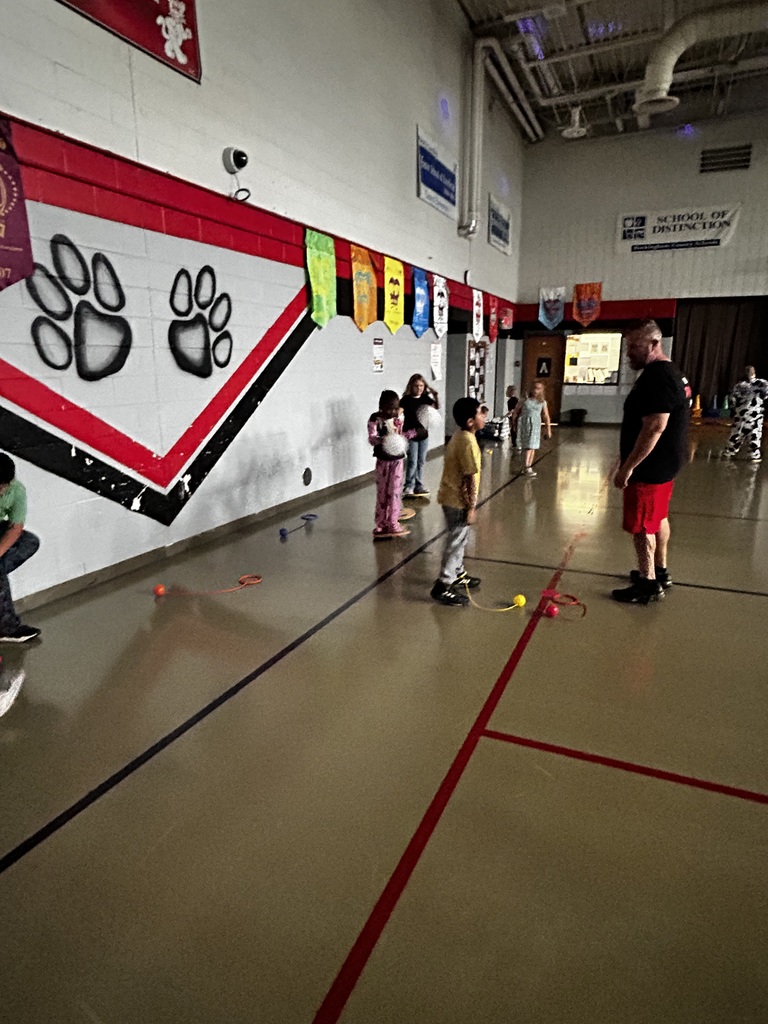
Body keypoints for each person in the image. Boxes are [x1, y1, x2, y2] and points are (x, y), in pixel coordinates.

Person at [612, 320, 689, 605]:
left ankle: (648, 582)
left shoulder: (658, 376)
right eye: (628, 346)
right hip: (665, 464)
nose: (629, 352)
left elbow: (655, 426)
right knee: (658, 518)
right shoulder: (670, 373)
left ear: (655, 344)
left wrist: (628, 466)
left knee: (644, 525)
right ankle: (660, 571)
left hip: (650, 467)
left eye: (635, 346)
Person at [430, 397, 486, 606]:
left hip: (452, 498)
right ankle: (443, 585)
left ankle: (458, 573)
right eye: (481, 412)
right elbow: (469, 478)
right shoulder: (468, 443)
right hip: (458, 501)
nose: (485, 415)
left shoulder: (461, 435)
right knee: (456, 541)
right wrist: (471, 507)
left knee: (460, 539)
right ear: (471, 421)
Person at [0, 454, 41, 642]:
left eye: (4, 487)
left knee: (31, 541)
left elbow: (16, 528)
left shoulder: (17, 490)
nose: (2, 492)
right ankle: (7, 626)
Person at [368, 390, 416, 540]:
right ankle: (380, 523)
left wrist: (411, 434)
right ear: (381, 406)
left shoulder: (398, 418)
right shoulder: (375, 419)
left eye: (395, 408)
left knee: (395, 492)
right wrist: (383, 441)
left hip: (397, 461)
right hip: (383, 461)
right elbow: (371, 438)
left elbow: (402, 435)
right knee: (382, 492)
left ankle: (393, 522)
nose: (393, 412)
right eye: (390, 408)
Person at [400, 374, 439, 499]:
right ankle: (409, 485)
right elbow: (399, 411)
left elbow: (436, 407)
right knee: (412, 460)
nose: (419, 388)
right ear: (411, 386)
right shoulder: (406, 400)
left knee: (421, 461)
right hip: (410, 434)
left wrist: (436, 395)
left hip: (423, 434)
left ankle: (418, 484)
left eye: (421, 386)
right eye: (416, 386)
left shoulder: (425, 398)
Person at [721, 365, 768, 461]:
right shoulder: (741, 386)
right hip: (745, 416)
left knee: (751, 438)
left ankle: (751, 455)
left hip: (752, 416)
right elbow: (733, 401)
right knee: (738, 437)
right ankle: (730, 453)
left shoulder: (760, 384)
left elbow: (764, 395)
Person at [513, 381, 551, 476]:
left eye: (538, 389)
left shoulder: (542, 402)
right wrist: (514, 424)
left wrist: (548, 429)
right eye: (534, 388)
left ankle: (529, 465)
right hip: (525, 424)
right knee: (528, 445)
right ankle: (526, 466)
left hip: (536, 425)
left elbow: (546, 415)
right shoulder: (524, 400)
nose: (535, 391)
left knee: (533, 445)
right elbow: (516, 412)